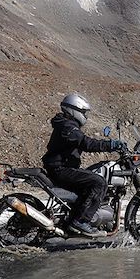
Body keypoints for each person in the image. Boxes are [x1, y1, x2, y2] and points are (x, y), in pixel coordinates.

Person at [42, 93, 126, 238]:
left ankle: (75, 218)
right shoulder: (67, 127)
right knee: (99, 182)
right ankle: (80, 221)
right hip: (61, 169)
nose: (85, 116)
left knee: (89, 183)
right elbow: (86, 143)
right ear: (74, 110)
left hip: (63, 167)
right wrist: (110, 145)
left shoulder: (66, 124)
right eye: (83, 112)